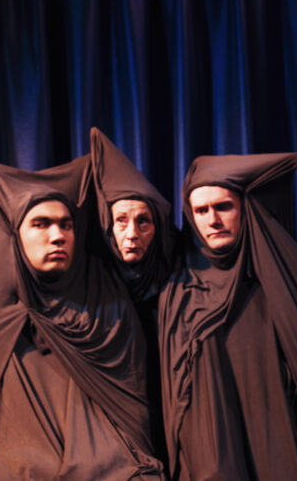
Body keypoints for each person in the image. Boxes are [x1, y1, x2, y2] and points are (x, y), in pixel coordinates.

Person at [0, 151, 166, 479]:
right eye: (41, 224)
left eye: (66, 225)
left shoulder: (105, 314)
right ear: (16, 235)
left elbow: (132, 424)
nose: (58, 235)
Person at [158, 152, 297, 480]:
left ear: (245, 206)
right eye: (201, 211)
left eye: (223, 206)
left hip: (288, 450)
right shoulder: (179, 292)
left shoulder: (291, 281)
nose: (212, 220)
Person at [89, 127, 180, 459]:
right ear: (108, 226)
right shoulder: (95, 287)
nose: (132, 233)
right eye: (121, 221)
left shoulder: (178, 284)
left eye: (143, 222)